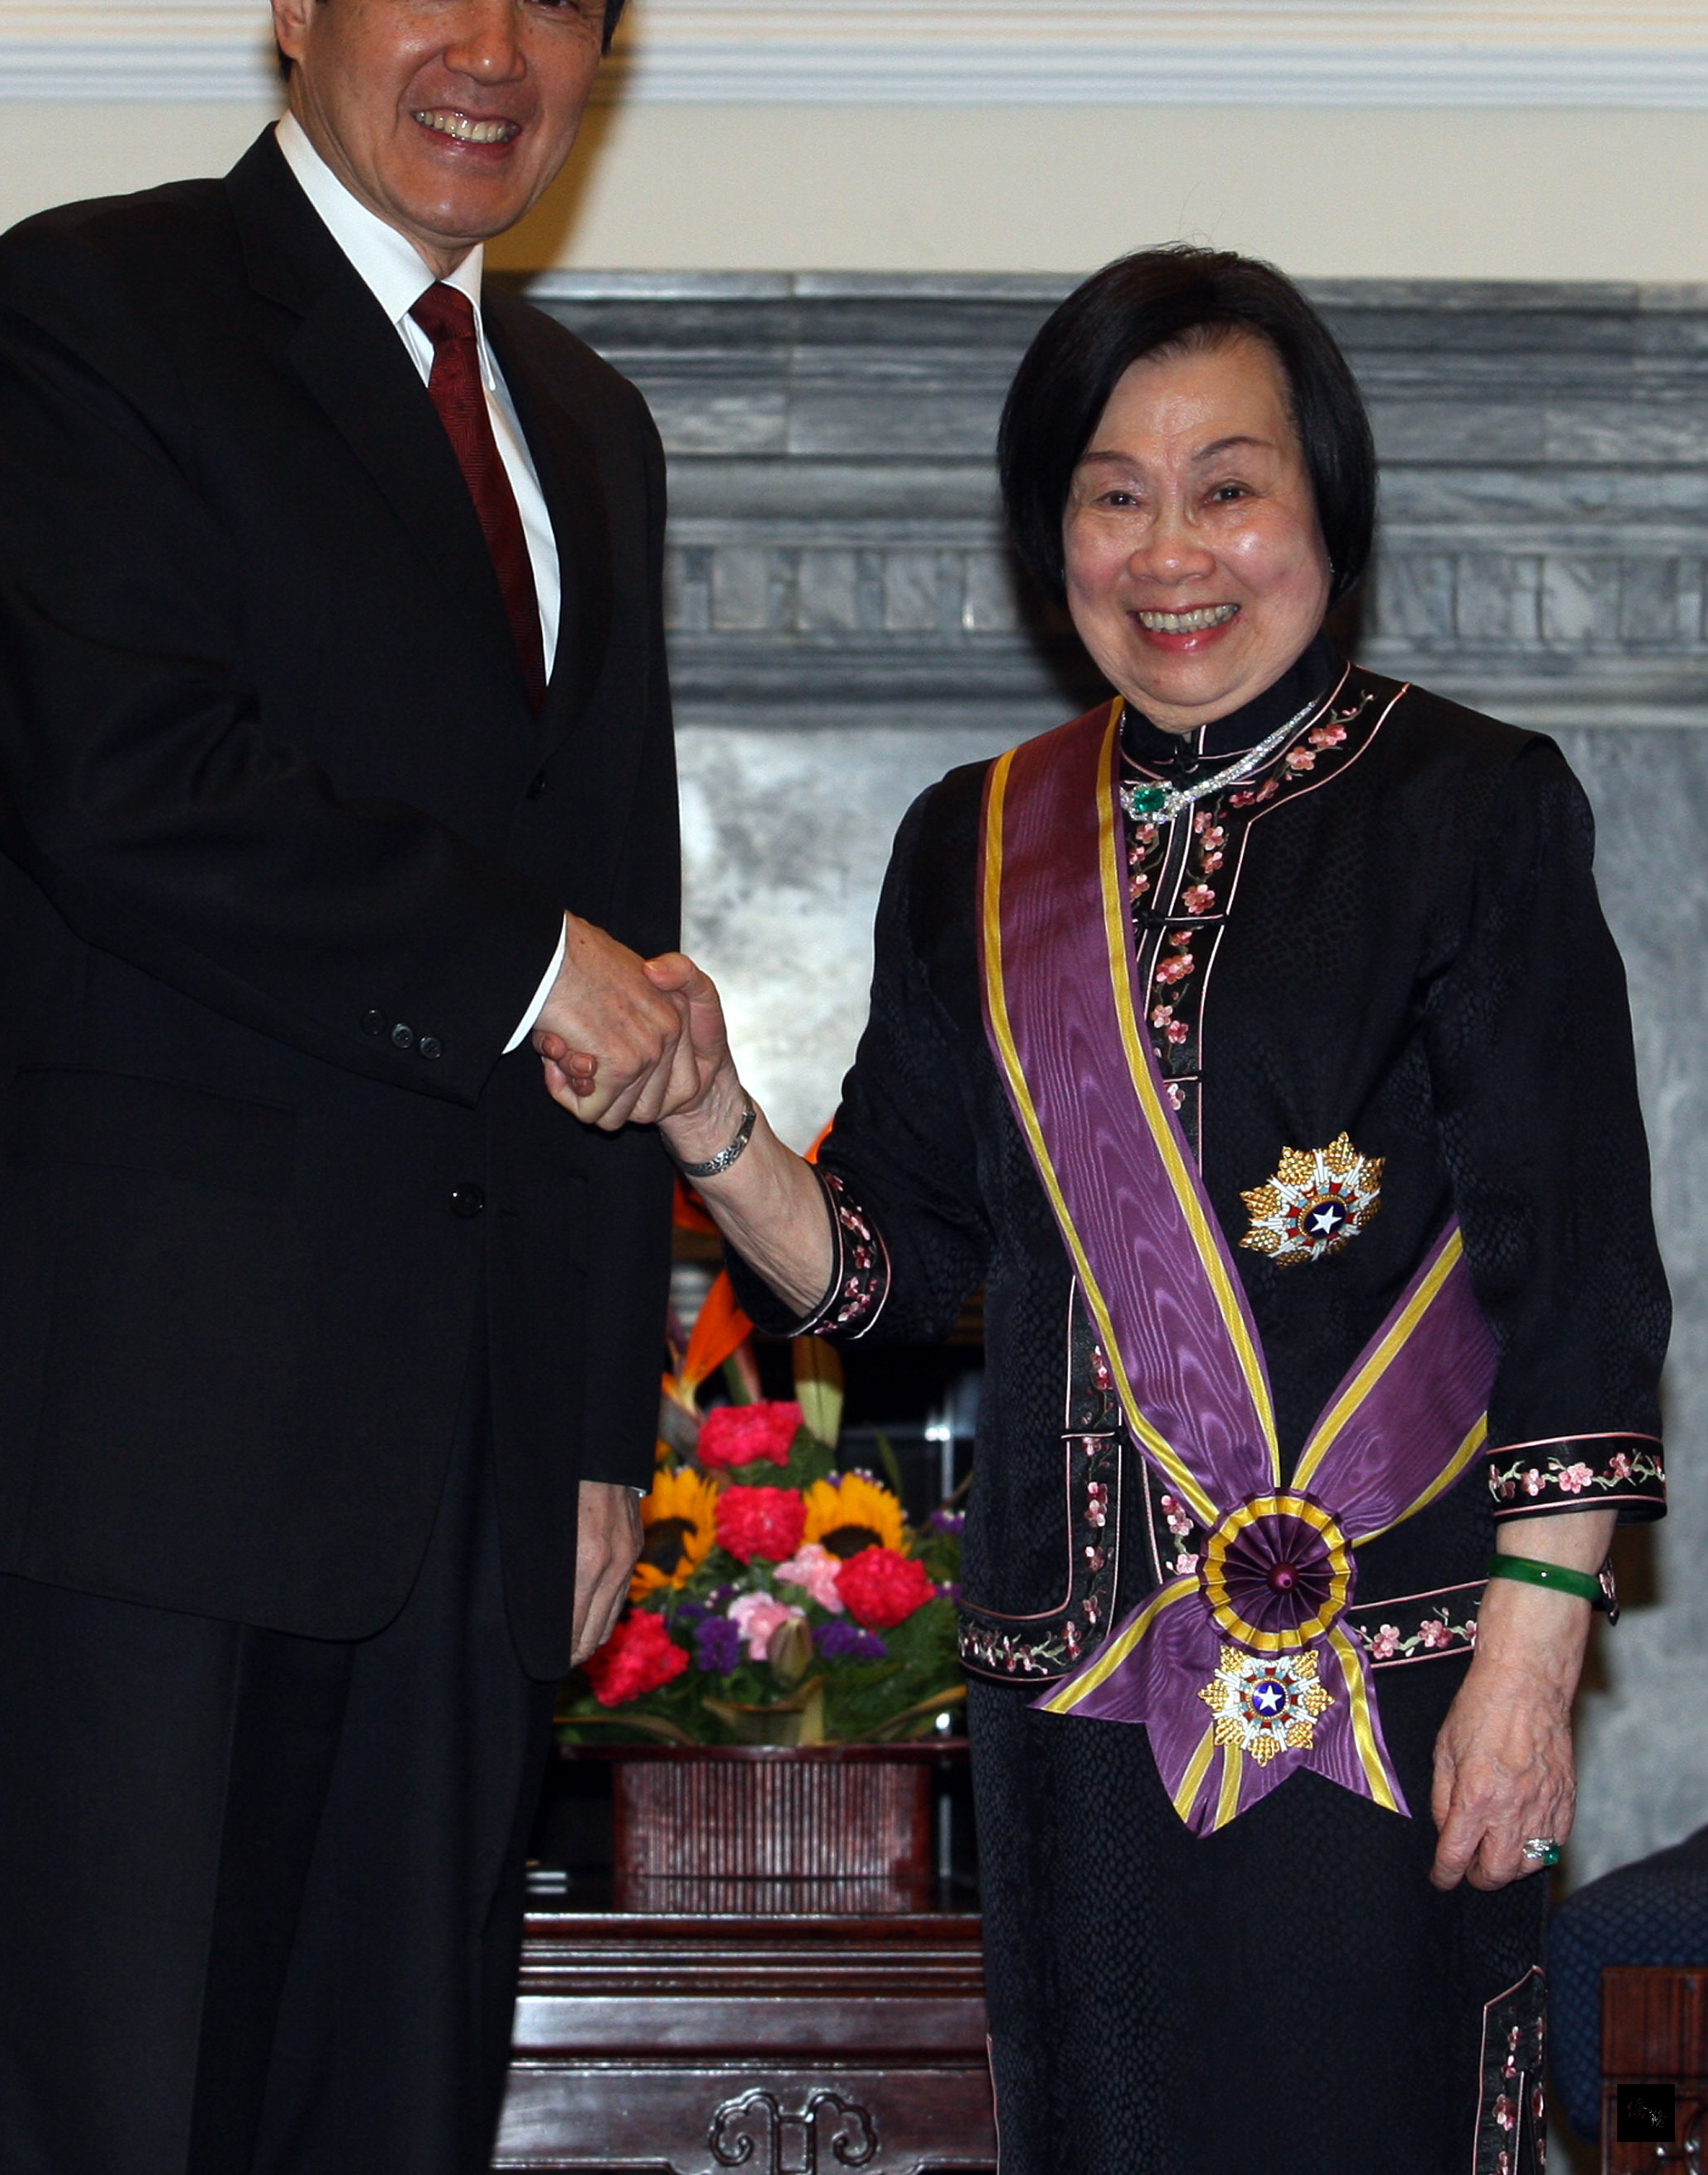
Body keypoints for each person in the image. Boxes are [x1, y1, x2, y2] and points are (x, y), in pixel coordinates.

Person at [572, 249, 1671, 2173]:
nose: (1170, 552)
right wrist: (710, 1121)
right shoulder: (975, 841)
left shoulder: (1468, 807)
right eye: (1113, 494)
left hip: (1388, 1691)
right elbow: (891, 1273)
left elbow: (1575, 1269)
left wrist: (1531, 1666)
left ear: (1326, 512)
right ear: (1049, 533)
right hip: (1070, 1704)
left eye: (1227, 487)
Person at [0, 0, 693, 2175]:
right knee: (123, 2121)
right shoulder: (87, 308)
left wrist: (590, 1423)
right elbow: (124, 784)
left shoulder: (586, 425)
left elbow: (620, 920)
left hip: (463, 1477)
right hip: (141, 1427)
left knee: (394, 2118)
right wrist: (531, 964)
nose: (494, 52)